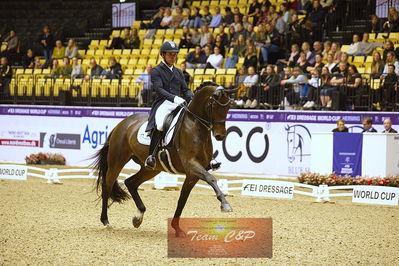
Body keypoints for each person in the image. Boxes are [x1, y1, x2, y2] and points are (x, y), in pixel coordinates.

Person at [144, 41, 193, 169]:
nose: (173, 57)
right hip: (163, 103)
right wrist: (174, 98)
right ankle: (151, 156)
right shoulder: (156, 71)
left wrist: (191, 97)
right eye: (170, 54)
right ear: (163, 55)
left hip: (178, 103)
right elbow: (159, 89)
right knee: (160, 124)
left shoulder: (178, 72)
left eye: (175, 54)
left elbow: (185, 89)